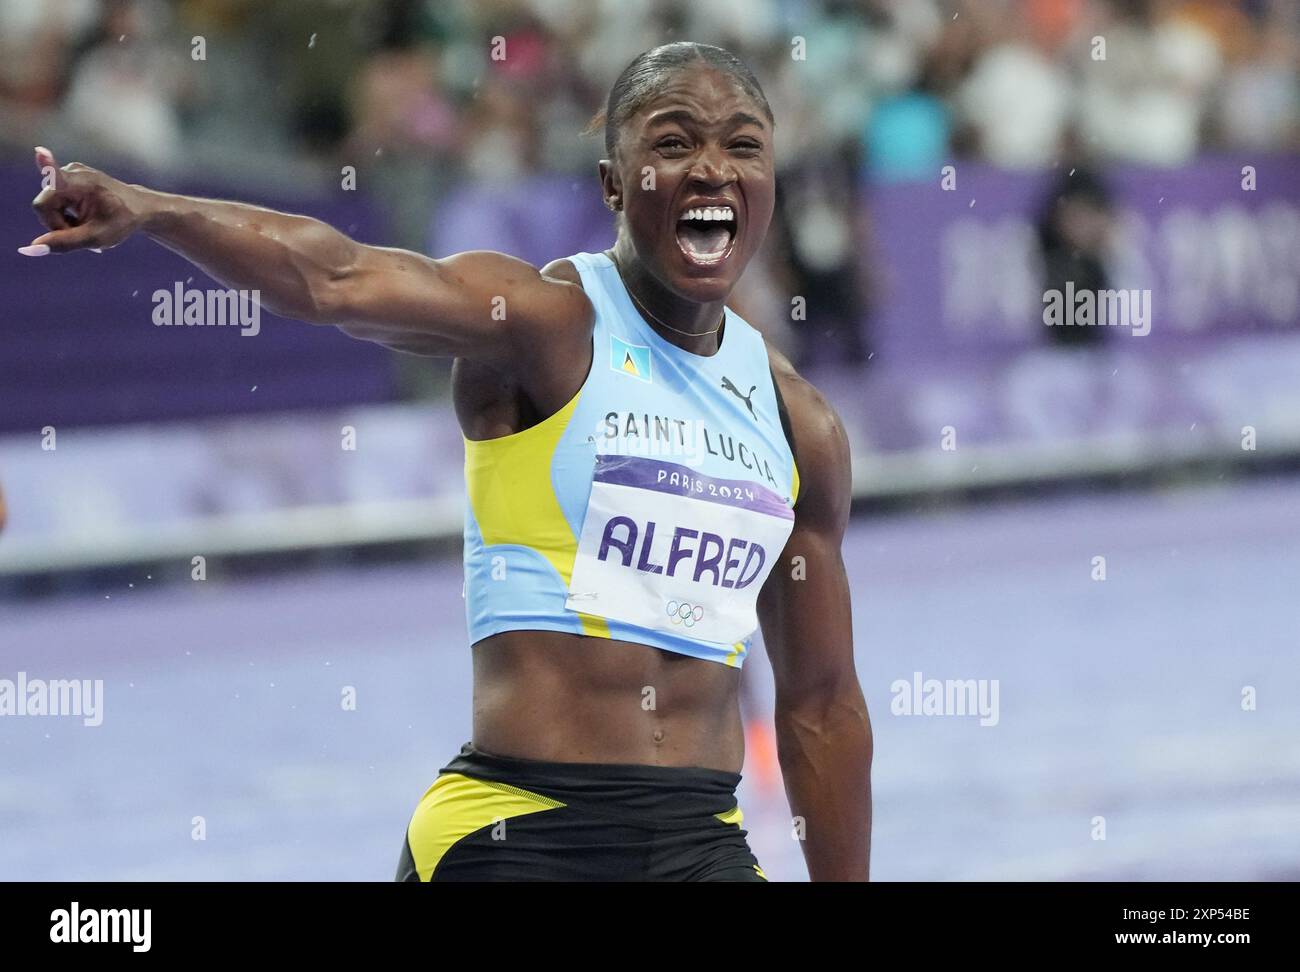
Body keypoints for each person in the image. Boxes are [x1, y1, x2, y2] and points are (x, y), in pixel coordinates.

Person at [21, 42, 873, 882]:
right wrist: (153, 209)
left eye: (744, 144)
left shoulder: (800, 425)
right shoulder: (544, 324)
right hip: (516, 835)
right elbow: (337, 278)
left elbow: (822, 705)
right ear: (615, 183)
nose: (713, 167)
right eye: (675, 141)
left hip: (702, 848)